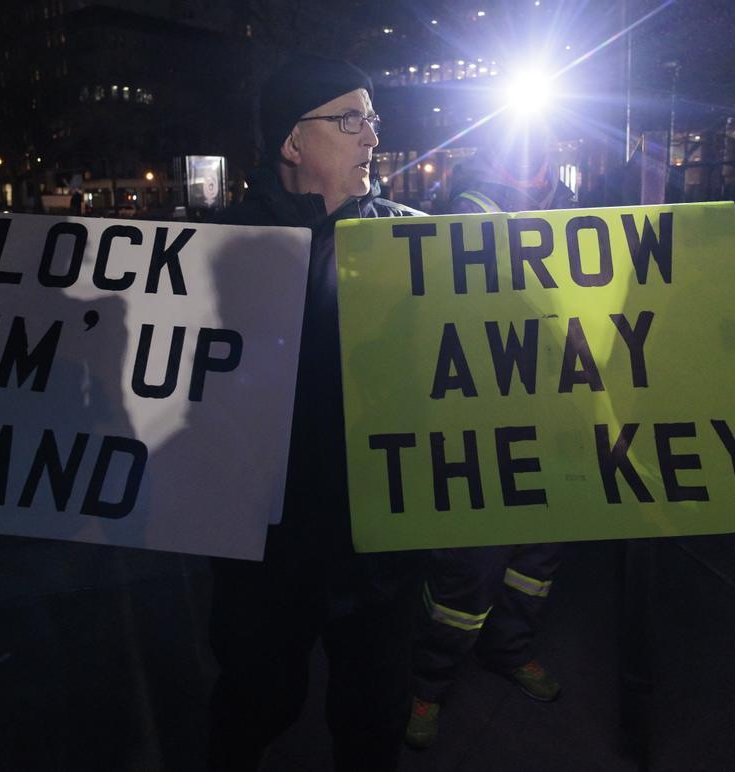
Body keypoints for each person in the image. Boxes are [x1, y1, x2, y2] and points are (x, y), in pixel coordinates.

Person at [207, 54, 423, 771]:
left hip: (379, 544)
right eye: (350, 120)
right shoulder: (214, 250)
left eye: (373, 122)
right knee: (255, 701)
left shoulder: (417, 243)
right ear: (292, 144)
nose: (371, 138)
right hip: (264, 547)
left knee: (374, 717)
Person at [404, 130, 575, 751]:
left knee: (534, 564)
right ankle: (427, 684)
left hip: (555, 417)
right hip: (479, 421)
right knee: (467, 574)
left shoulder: (577, 212)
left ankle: (509, 650)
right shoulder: (464, 211)